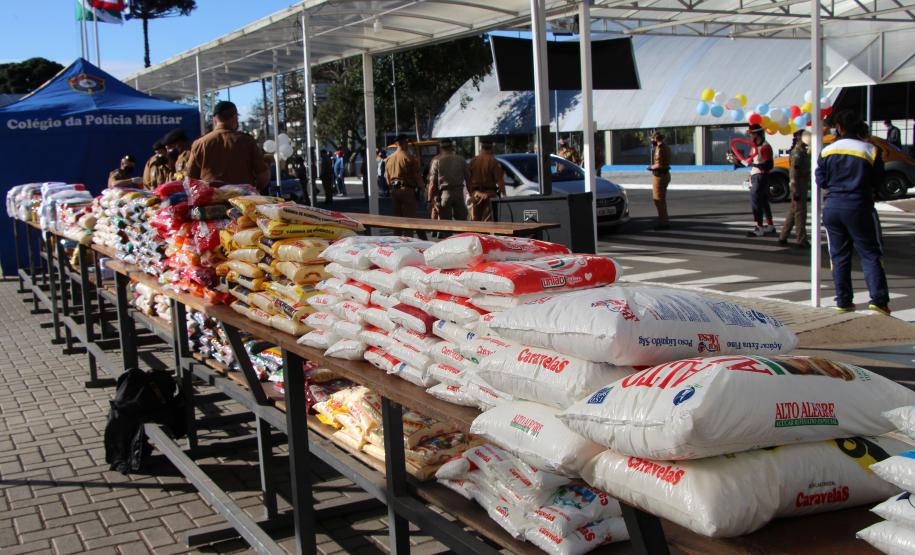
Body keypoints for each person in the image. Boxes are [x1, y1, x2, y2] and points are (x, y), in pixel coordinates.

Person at [816, 110, 891, 315]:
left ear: (839, 127)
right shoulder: (870, 150)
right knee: (870, 253)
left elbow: (821, 180)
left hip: (832, 207)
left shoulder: (827, 151)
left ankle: (843, 301)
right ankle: (878, 300)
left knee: (839, 256)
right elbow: (879, 181)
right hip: (859, 206)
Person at [185, 101, 270, 190]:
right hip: (243, 200)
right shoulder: (246, 141)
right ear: (235, 117)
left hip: (211, 200)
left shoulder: (200, 143)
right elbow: (263, 175)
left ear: (215, 120)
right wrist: (255, 190)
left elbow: (190, 179)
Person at [728, 124, 775, 236]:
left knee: (755, 201)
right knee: (763, 201)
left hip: (761, 176)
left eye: (751, 134)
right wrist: (735, 162)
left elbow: (769, 165)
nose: (749, 136)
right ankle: (770, 226)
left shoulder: (765, 147)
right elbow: (749, 162)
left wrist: (752, 164)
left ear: (757, 134)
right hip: (756, 175)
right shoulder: (755, 146)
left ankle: (759, 227)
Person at [385, 134, 427, 239]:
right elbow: (417, 176)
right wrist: (423, 189)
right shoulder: (409, 157)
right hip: (406, 190)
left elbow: (387, 177)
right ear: (404, 143)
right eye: (407, 142)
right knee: (410, 220)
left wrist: (391, 189)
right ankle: (409, 243)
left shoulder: (389, 158)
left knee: (398, 221)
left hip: (394, 191)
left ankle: (396, 243)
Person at [778, 130, 811, 247]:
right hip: (798, 185)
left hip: (802, 184)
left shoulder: (803, 151)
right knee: (800, 214)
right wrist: (794, 189)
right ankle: (801, 239)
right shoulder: (797, 153)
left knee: (794, 212)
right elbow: (793, 172)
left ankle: (783, 236)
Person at [427, 139, 469, 224]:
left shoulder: (437, 161)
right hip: (459, 194)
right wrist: (470, 193)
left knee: (446, 223)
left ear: (441, 148)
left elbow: (432, 183)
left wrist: (430, 199)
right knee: (462, 223)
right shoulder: (461, 160)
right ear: (452, 147)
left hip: (445, 194)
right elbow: (468, 178)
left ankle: (447, 236)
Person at [467, 140, 506, 222]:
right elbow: (499, 180)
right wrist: (504, 194)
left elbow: (468, 179)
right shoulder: (493, 161)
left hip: (476, 194)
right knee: (487, 221)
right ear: (491, 148)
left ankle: (475, 234)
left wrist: (471, 193)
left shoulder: (473, 160)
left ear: (481, 147)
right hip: (489, 195)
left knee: (475, 220)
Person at [648, 131, 672, 230]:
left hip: (659, 176)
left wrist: (651, 167)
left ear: (656, 139)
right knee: (662, 200)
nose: (651, 141)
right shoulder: (666, 146)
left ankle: (663, 223)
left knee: (658, 200)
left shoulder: (660, 149)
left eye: (652, 139)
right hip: (665, 174)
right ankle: (664, 220)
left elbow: (659, 164)